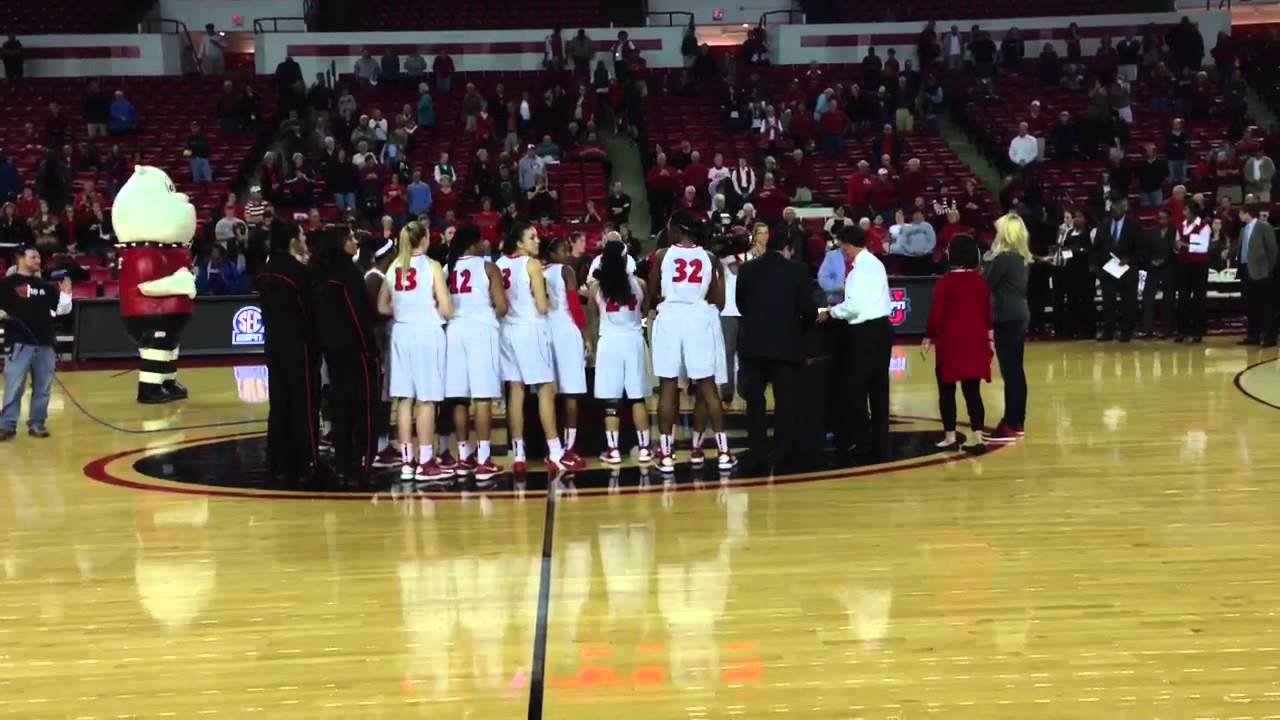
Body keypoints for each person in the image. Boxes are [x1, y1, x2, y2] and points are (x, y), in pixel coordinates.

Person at [646, 213, 735, 472]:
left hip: (670, 319)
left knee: (668, 386)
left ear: (678, 231)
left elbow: (653, 292)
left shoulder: (662, 255)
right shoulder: (710, 258)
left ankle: (665, 454)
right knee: (707, 386)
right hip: (698, 319)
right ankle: (724, 452)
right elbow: (718, 300)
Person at [374, 221, 453, 483]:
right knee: (427, 399)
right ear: (425, 239)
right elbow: (446, 308)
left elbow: (382, 305)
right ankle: (427, 461)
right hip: (426, 333)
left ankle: (408, 462)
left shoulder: (394, 265)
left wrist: (404, 311)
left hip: (401, 333)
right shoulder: (432, 266)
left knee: (404, 400)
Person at [734, 227, 817, 469]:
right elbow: (809, 310)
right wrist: (799, 329)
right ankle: (782, 450)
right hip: (786, 346)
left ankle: (758, 449)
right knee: (785, 400)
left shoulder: (748, 269)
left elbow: (741, 304)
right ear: (788, 249)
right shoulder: (798, 270)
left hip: (753, 346)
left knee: (755, 400)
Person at [496, 223, 576, 473]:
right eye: (531, 237)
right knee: (545, 389)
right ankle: (555, 452)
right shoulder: (531, 265)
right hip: (530, 329)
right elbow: (543, 306)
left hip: (507, 331)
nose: (537, 241)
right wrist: (547, 297)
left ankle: (518, 454)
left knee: (516, 391)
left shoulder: (499, 264)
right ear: (519, 243)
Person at [310, 226, 381, 483]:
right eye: (351, 238)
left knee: (340, 407)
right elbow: (357, 315)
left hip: (331, 352)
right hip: (356, 351)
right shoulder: (348, 274)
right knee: (363, 407)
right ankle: (363, 461)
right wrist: (369, 348)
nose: (355, 241)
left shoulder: (318, 273)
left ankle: (343, 461)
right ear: (341, 243)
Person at [255, 221, 320, 481]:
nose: (305, 239)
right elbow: (309, 312)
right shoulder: (298, 273)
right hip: (300, 347)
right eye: (302, 235)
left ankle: (277, 459)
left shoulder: (266, 271)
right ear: (293, 240)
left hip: (273, 345)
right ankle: (308, 461)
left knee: (279, 404)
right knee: (305, 404)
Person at [443, 225, 507, 480]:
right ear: (473, 243)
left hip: (455, 331)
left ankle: (463, 456)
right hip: (481, 331)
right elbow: (502, 306)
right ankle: (483, 459)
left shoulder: (448, 268)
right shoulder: (488, 267)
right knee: (482, 397)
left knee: (459, 397)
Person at [822, 225, 892, 458]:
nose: (841, 250)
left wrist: (831, 312)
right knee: (879, 389)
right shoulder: (876, 264)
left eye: (842, 245)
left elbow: (854, 307)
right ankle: (881, 443)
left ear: (850, 244)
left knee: (857, 389)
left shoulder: (859, 270)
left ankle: (862, 443)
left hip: (864, 333)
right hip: (882, 330)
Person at [923, 235, 991, 450]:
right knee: (973, 392)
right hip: (975, 339)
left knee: (946, 390)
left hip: (950, 341)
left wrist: (927, 336)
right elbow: (987, 313)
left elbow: (936, 313)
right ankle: (978, 437)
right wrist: (990, 337)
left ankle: (950, 437)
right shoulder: (980, 281)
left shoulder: (945, 282)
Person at [0, 246, 72, 441]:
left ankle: (37, 423)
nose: (38, 260)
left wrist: (66, 294)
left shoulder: (46, 286)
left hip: (45, 344)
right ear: (20, 259)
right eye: (33, 257)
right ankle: (6, 426)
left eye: (39, 257)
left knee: (43, 387)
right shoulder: (6, 285)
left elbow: (63, 310)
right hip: (18, 343)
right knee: (14, 387)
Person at [590, 241, 652, 464]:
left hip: (609, 343)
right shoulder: (640, 284)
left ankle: (613, 450)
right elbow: (644, 312)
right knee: (637, 397)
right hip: (633, 341)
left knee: (611, 400)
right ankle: (645, 448)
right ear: (626, 259)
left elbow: (594, 314)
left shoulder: (597, 287)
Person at [541, 235, 589, 467]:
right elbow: (574, 305)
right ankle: (569, 448)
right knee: (571, 392)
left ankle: (552, 447)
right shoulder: (565, 271)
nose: (567, 252)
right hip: (566, 332)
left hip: (544, 331)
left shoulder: (538, 270)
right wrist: (586, 334)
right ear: (553, 253)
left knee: (547, 393)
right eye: (563, 248)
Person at [983, 213, 1031, 443]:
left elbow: (985, 284)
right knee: (1015, 372)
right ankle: (1014, 420)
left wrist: (988, 259)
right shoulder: (1020, 257)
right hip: (1018, 315)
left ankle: (1013, 423)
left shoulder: (1004, 259)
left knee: (1011, 373)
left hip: (1008, 318)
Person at [1092, 200, 1139, 342]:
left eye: (1117, 208)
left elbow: (1140, 248)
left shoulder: (1134, 225)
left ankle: (1126, 333)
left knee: (1128, 303)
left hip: (1127, 270)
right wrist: (1095, 265)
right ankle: (1108, 331)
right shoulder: (1104, 224)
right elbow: (1096, 247)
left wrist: (1128, 259)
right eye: (1113, 208)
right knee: (1108, 302)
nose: (1114, 210)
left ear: (1124, 209)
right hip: (1108, 269)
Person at [1237, 203, 1278, 347]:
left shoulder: (1264, 227)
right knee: (1251, 305)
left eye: (1241, 213)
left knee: (1266, 306)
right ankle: (1253, 335)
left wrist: (1268, 268)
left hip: (1262, 272)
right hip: (1246, 272)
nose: (1239, 216)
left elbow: (1272, 249)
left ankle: (1269, 337)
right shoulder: (1243, 230)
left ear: (1247, 213)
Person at [1138, 208, 1178, 339]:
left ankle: (1167, 329)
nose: (1161, 220)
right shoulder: (1151, 232)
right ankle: (1147, 329)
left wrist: (1164, 260)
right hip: (1153, 268)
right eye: (1159, 218)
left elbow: (1175, 250)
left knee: (1168, 300)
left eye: (1164, 218)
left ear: (1169, 219)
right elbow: (1145, 249)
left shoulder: (1174, 232)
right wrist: (1151, 261)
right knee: (1147, 297)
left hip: (1169, 268)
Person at [1175, 202, 1212, 343]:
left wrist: (1185, 245)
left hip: (1199, 267)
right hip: (1183, 266)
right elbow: (1177, 244)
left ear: (1192, 212)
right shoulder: (1180, 226)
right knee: (1183, 297)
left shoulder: (1204, 226)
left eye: (1186, 208)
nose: (1183, 211)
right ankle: (1182, 331)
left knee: (1199, 298)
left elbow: (1203, 247)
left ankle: (1198, 331)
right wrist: (1177, 246)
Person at [1008, 121, 1039, 190]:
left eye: (1024, 129)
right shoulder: (1014, 140)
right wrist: (1017, 161)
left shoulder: (1032, 140)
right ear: (1018, 129)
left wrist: (1026, 161)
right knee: (1016, 184)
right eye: (1020, 128)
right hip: (1017, 164)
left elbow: (1034, 152)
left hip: (1029, 165)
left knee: (1028, 184)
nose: (1022, 130)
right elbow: (1011, 153)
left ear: (1027, 129)